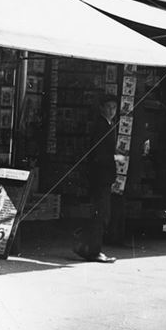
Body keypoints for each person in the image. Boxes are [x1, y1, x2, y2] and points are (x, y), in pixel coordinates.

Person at [73, 94, 118, 263]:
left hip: (102, 176)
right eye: (108, 107)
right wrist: (115, 158)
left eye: (114, 108)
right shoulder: (101, 126)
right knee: (101, 214)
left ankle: (85, 246)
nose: (111, 111)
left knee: (100, 214)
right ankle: (93, 250)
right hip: (100, 176)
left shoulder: (108, 125)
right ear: (101, 108)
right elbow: (99, 154)